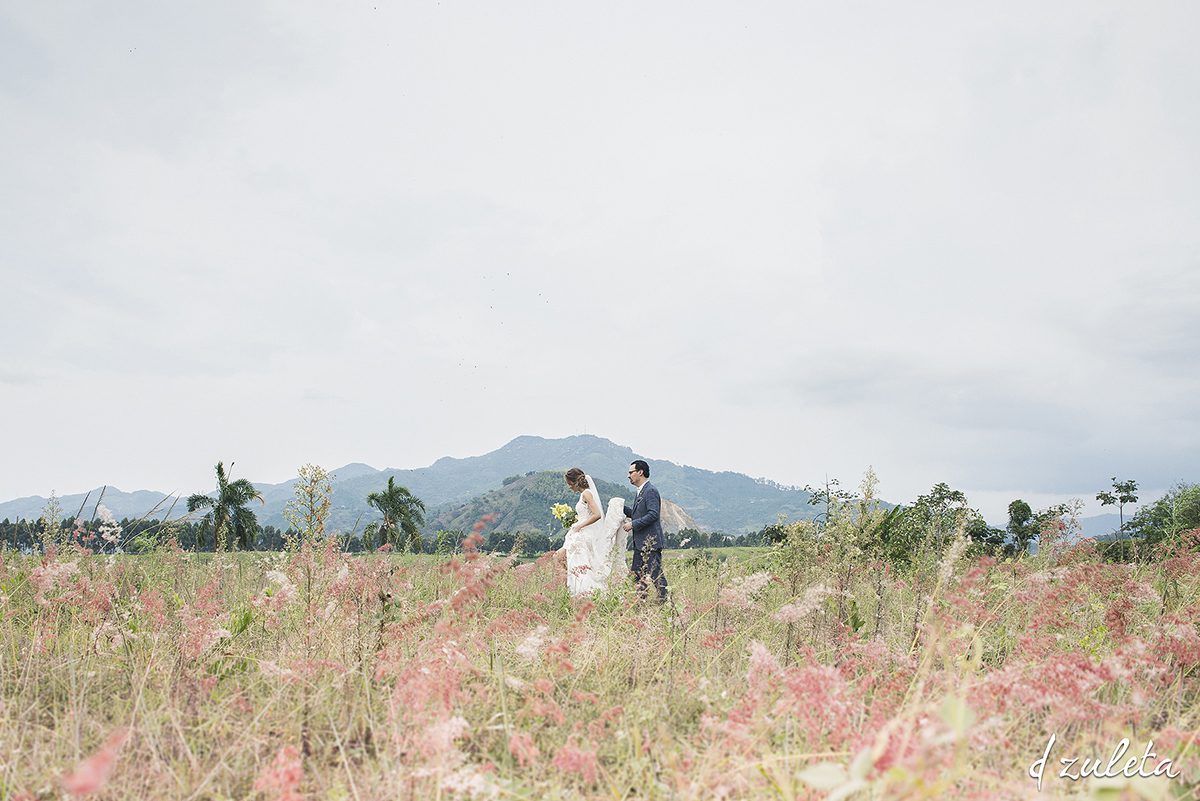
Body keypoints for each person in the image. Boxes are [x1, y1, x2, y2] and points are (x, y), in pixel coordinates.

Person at [561, 467, 625, 596]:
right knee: (575, 562)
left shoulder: (586, 494)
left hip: (584, 535)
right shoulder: (583, 494)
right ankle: (578, 592)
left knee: (580, 564)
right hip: (581, 532)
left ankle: (583, 593)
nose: (569, 487)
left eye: (569, 484)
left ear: (574, 482)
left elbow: (597, 515)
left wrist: (579, 526)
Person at [623, 459, 667, 602]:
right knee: (637, 577)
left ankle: (664, 604)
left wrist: (633, 524)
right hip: (640, 544)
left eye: (631, 472)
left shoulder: (650, 491)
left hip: (650, 542)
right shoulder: (640, 492)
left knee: (656, 576)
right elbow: (638, 514)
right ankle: (640, 604)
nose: (628, 475)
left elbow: (653, 514)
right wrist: (619, 508)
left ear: (640, 472)